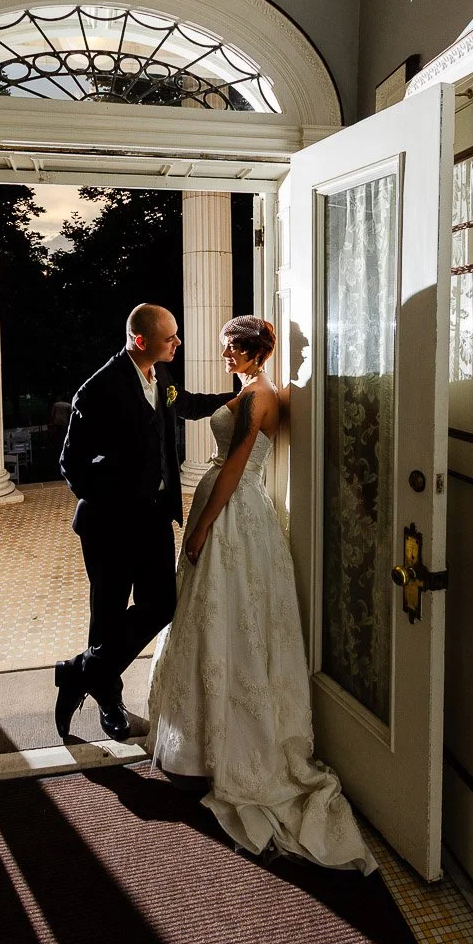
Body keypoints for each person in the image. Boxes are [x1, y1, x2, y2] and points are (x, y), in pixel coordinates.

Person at [147, 315, 376, 873]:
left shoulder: (261, 397)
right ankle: (197, 737)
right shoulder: (248, 389)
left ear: (251, 352)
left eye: (230, 350)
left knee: (233, 617)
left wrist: (202, 526)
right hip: (229, 507)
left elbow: (236, 465)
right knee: (206, 618)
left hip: (234, 513)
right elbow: (198, 412)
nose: (224, 356)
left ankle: (227, 746)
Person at [55, 303, 233, 743]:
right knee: (109, 616)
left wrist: (237, 398)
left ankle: (83, 671)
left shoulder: (161, 377)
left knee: (162, 605)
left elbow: (186, 404)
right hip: (110, 526)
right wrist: (112, 504)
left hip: (155, 520)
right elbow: (71, 463)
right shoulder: (97, 390)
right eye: (170, 337)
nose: (178, 343)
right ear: (141, 341)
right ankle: (111, 704)